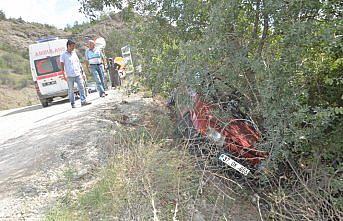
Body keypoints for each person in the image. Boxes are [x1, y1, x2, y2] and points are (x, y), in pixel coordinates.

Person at [60, 40, 91, 108]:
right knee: (71, 90)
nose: (73, 48)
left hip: (77, 73)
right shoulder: (63, 55)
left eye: (74, 46)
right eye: (72, 46)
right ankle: (72, 103)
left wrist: (82, 72)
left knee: (81, 87)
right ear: (68, 46)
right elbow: (62, 65)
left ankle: (83, 101)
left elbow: (78, 63)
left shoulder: (74, 53)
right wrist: (64, 75)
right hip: (69, 75)